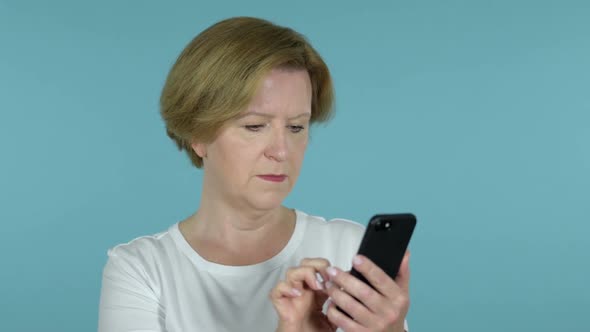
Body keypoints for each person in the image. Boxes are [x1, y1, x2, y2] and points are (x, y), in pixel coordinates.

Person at [98, 16, 410, 332]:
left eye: (296, 127)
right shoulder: (140, 269)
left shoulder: (349, 252)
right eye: (254, 126)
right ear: (198, 136)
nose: (281, 151)